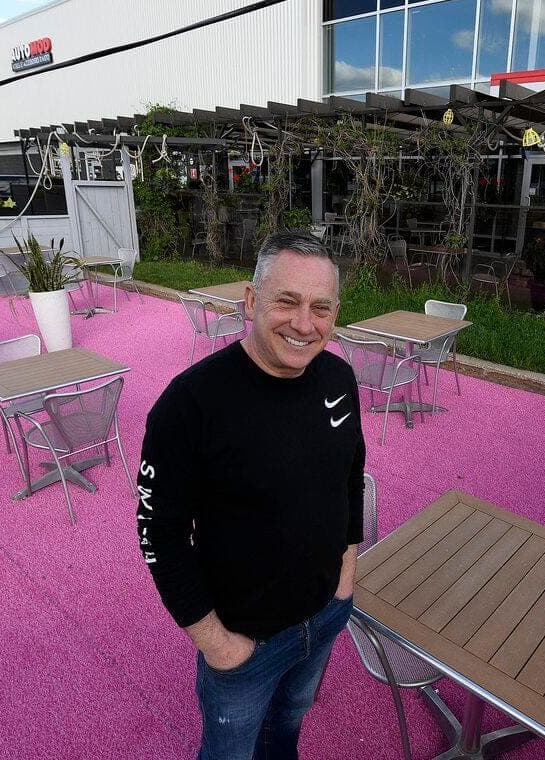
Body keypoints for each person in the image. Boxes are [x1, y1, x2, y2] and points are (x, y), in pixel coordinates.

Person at [136, 231, 364, 760]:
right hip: (243, 643)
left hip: (326, 614)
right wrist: (219, 644)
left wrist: (345, 576)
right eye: (287, 301)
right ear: (251, 299)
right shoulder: (189, 405)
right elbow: (158, 534)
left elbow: (351, 472)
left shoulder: (339, 376)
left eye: (321, 308)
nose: (305, 324)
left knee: (287, 727)